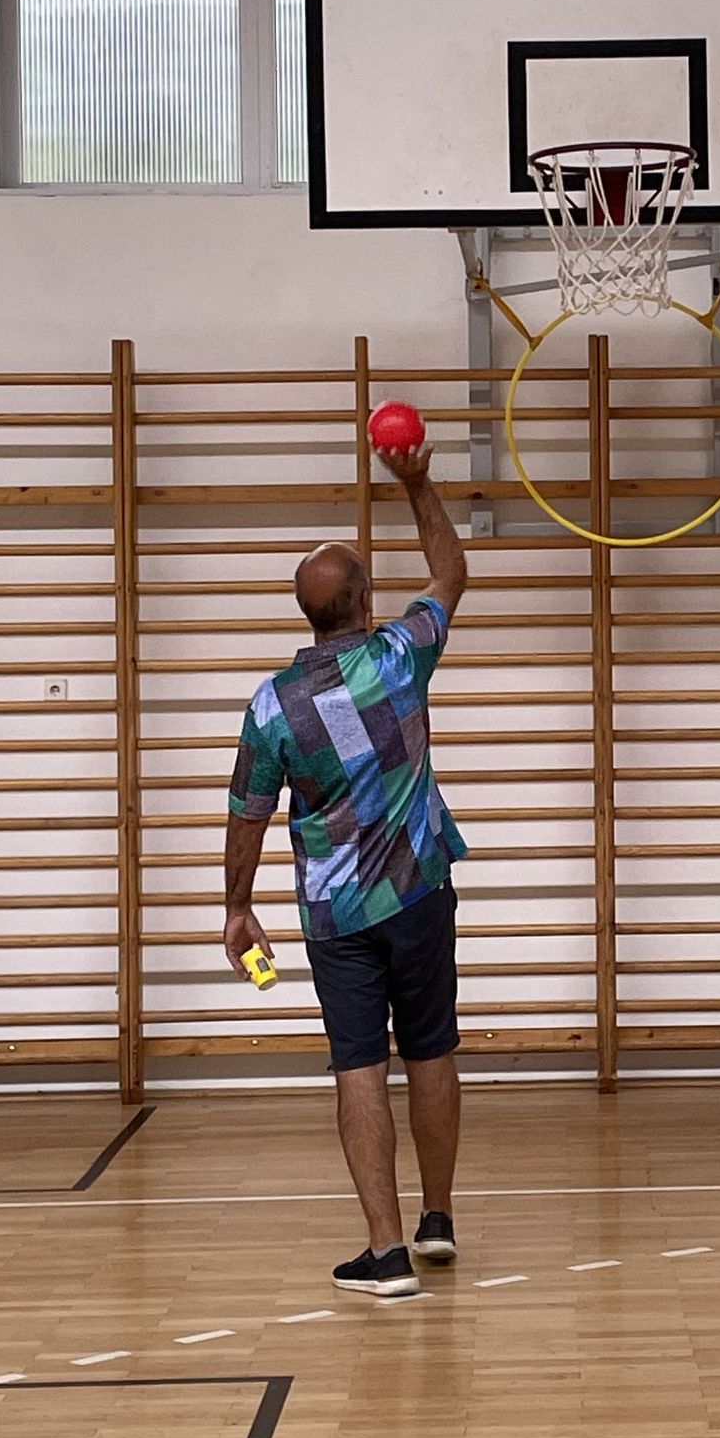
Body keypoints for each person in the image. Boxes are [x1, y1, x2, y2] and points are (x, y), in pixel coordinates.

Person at [222, 438, 468, 1298]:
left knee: (359, 1065)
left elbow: (248, 814)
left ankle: (386, 1252)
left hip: (336, 917)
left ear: (307, 615)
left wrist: (237, 910)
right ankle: (437, 1217)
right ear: (365, 601)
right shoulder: (400, 657)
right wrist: (417, 481)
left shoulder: (272, 705)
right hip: (420, 892)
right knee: (431, 1050)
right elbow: (451, 571)